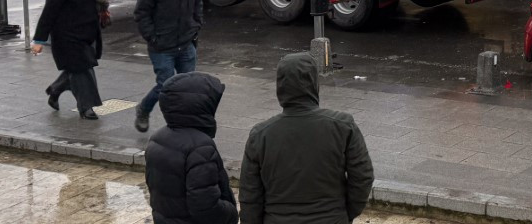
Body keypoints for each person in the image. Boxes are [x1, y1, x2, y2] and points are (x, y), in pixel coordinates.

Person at [240, 52, 374, 224]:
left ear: (280, 86)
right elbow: (362, 177)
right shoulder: (343, 126)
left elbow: (250, 196)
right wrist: (344, 214)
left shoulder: (260, 135)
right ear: (314, 83)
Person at [145, 72, 239, 224]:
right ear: (200, 105)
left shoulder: (157, 138)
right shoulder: (200, 147)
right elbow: (205, 206)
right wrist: (230, 212)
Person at [134, 0, 204, 133]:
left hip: (186, 44)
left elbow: (198, 2)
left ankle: (182, 123)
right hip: (162, 48)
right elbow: (141, 15)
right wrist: (153, 38)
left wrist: (196, 25)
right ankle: (144, 109)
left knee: (187, 86)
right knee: (166, 85)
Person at [32, 0, 108, 119]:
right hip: (67, 38)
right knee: (84, 70)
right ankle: (86, 107)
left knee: (77, 69)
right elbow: (48, 15)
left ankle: (55, 89)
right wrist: (39, 40)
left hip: (86, 36)